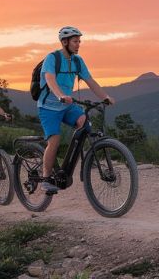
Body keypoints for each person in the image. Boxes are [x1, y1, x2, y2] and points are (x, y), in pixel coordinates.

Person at [37, 26, 114, 194]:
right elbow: (49, 79)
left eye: (79, 41)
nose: (78, 44)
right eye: (75, 41)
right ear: (64, 42)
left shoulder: (78, 61)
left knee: (84, 123)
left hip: (67, 105)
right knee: (54, 140)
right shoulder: (52, 58)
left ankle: (84, 158)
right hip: (48, 107)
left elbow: (90, 80)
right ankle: (45, 178)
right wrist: (59, 95)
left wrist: (104, 96)